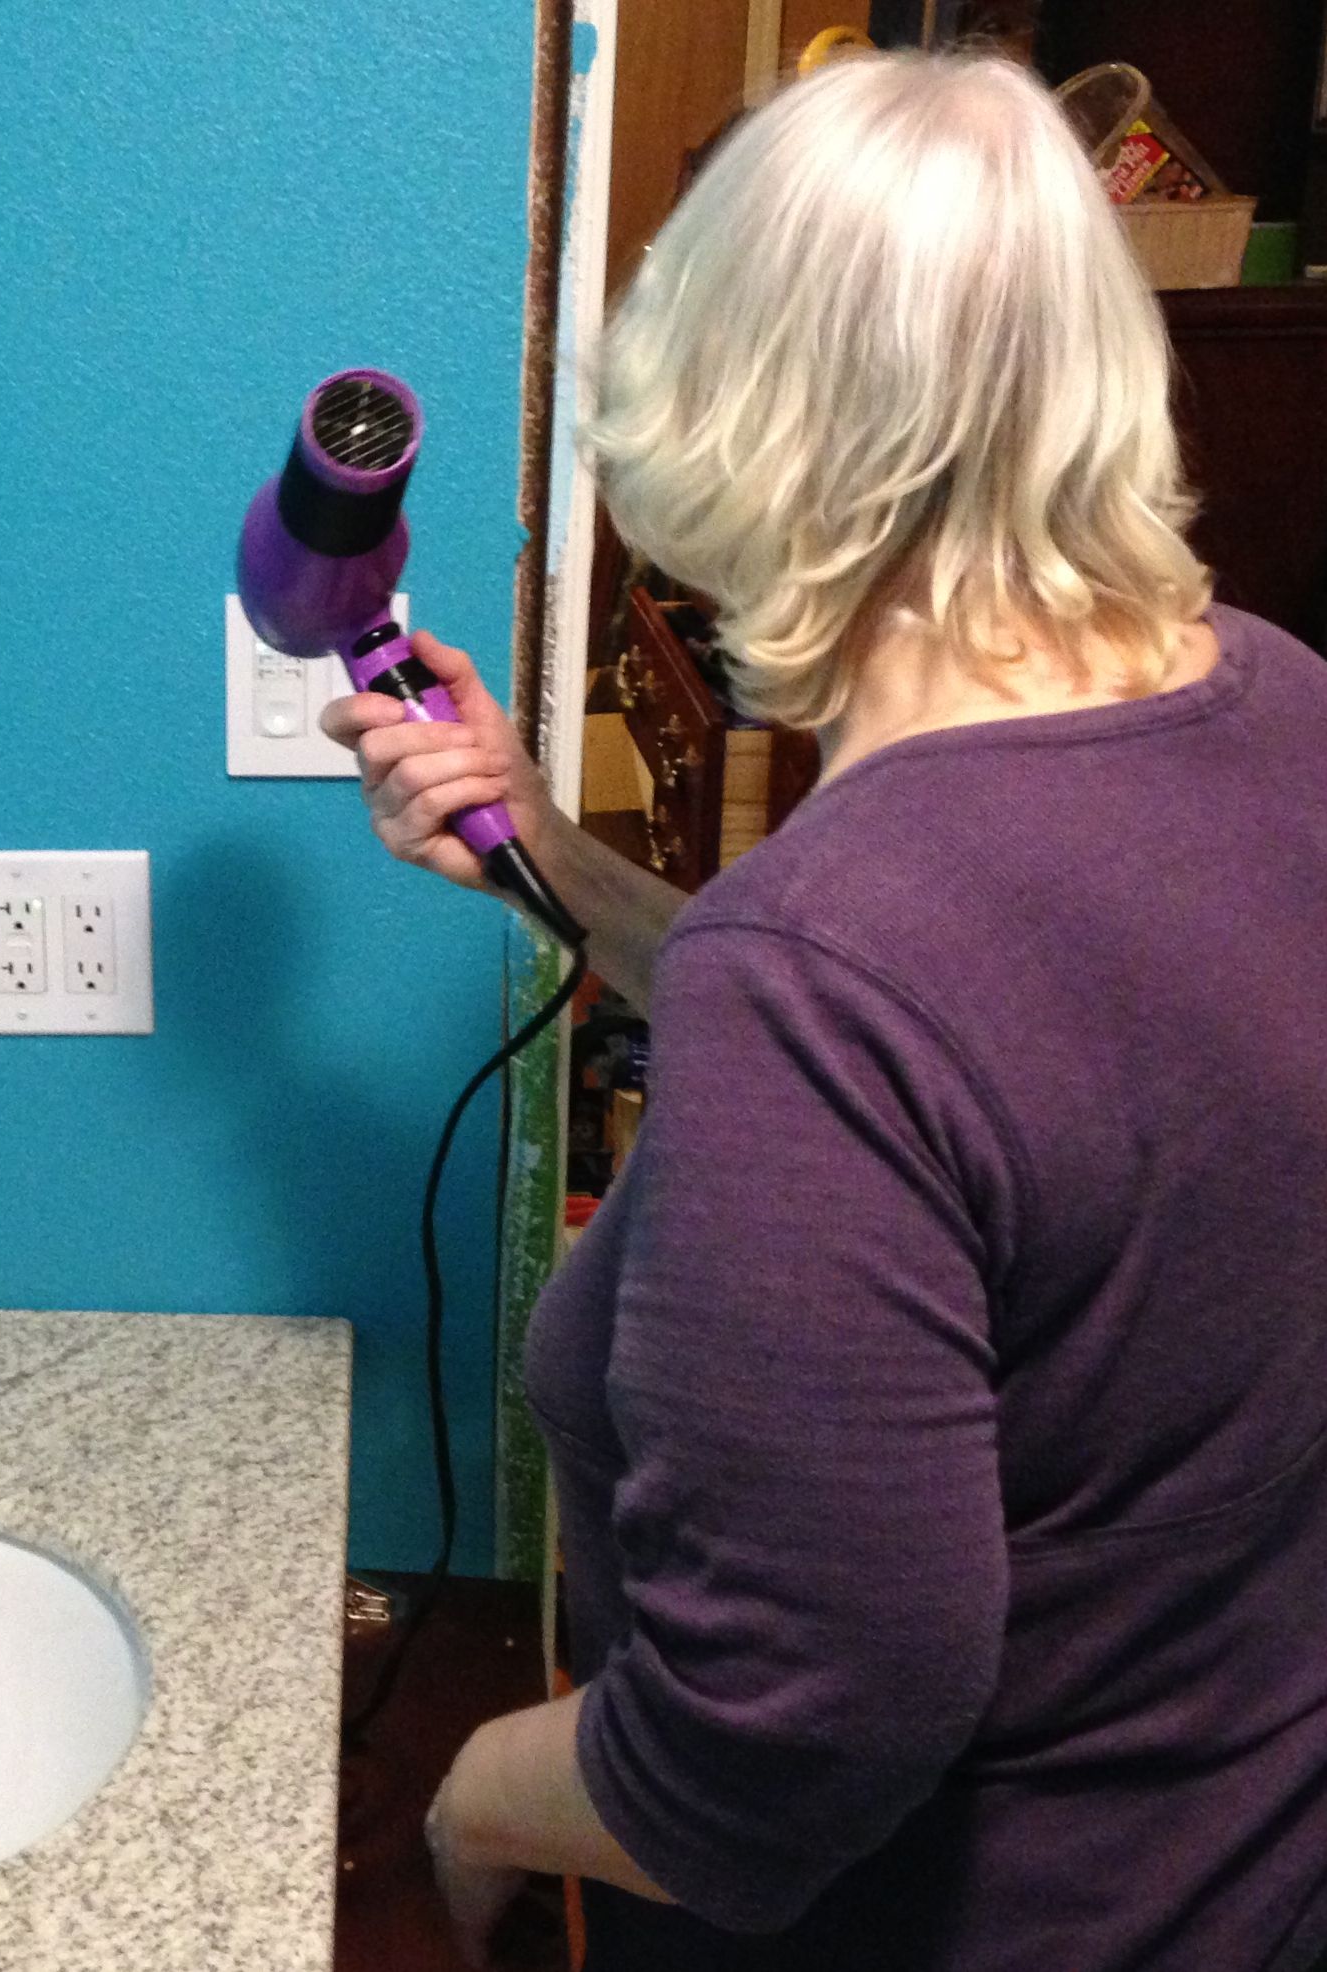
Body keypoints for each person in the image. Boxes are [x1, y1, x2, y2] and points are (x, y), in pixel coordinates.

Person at [321, 50, 1327, 1972]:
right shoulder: (1277, 706)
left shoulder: (831, 966)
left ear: (735, 430)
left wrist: (460, 1802)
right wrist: (552, 853)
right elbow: (985, 1069)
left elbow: (765, 1754)